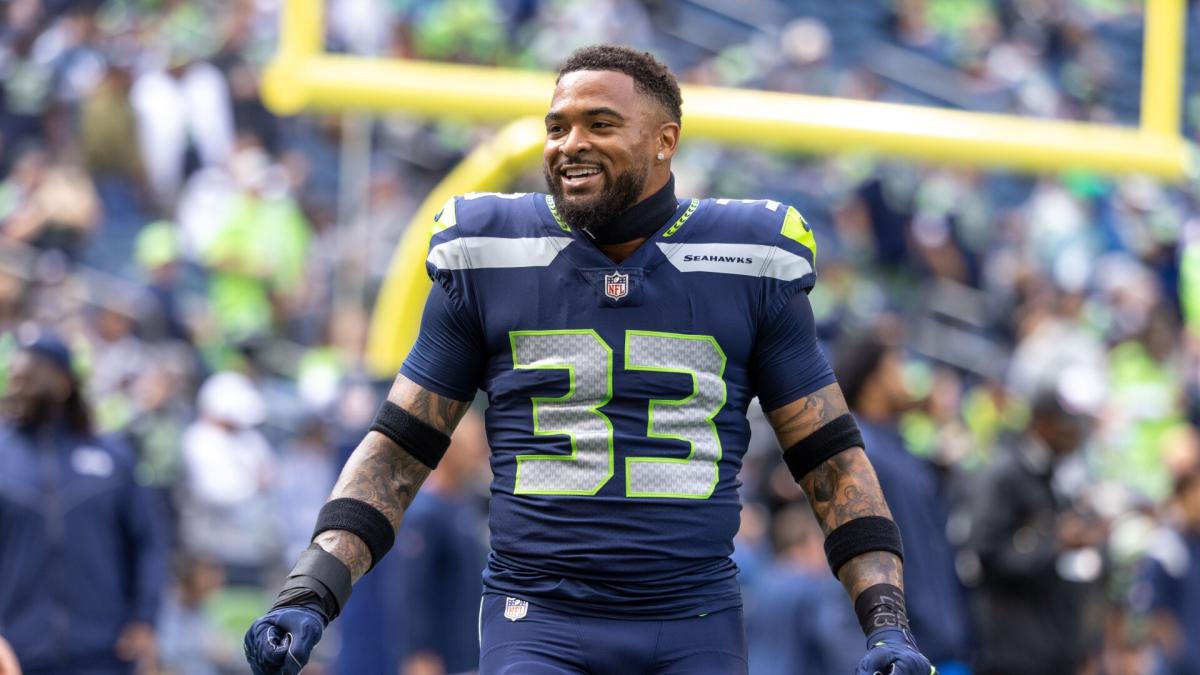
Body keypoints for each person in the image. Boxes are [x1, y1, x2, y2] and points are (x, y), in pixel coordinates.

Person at [245, 44, 936, 675]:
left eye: (600, 124)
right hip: (538, 620)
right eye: (557, 127)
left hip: (692, 620)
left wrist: (887, 621)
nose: (569, 144)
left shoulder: (748, 261)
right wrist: (311, 589)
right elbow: (398, 450)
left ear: (665, 141)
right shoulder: (490, 254)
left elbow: (832, 461)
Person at [0, 332, 169, 674]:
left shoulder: (112, 457)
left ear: (63, 383)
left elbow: (149, 543)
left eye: (29, 378)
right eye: (14, 379)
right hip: (17, 653)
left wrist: (145, 618)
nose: (18, 388)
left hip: (104, 650)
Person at [835, 333, 974, 673]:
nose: (909, 378)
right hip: (906, 641)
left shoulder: (897, 445)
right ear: (873, 381)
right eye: (897, 366)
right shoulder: (861, 449)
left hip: (937, 638)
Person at [958, 369, 1108, 675]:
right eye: (1069, 425)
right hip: (1012, 653)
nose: (1077, 434)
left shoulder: (1054, 476)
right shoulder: (1005, 476)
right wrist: (1057, 542)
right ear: (1043, 422)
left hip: (1051, 649)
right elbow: (983, 558)